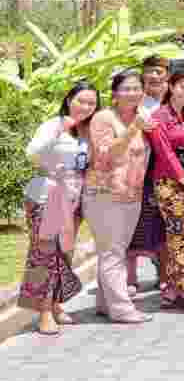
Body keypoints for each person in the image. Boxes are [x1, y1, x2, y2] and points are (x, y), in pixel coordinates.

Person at [19, 81, 99, 335]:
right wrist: (58, 132)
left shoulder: (88, 130)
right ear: (68, 100)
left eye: (91, 103)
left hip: (75, 199)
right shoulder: (53, 125)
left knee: (63, 253)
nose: (85, 107)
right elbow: (32, 154)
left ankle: (55, 304)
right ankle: (43, 311)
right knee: (43, 255)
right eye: (81, 101)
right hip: (49, 195)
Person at [84, 70, 154, 324]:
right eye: (126, 88)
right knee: (113, 252)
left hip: (131, 194)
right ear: (114, 94)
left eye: (137, 88)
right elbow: (106, 154)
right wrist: (134, 128)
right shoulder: (103, 118)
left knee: (115, 251)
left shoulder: (142, 117)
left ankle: (105, 303)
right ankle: (122, 308)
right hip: (105, 195)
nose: (132, 93)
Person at [145, 69, 184, 319]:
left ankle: (172, 288)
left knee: (183, 234)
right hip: (169, 183)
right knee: (180, 236)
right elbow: (166, 154)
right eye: (183, 86)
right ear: (171, 86)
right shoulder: (158, 117)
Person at [127, 55, 169, 294]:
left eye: (159, 72)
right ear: (142, 74)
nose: (154, 76)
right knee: (134, 222)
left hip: (166, 167)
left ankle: (163, 274)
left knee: (162, 223)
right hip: (138, 168)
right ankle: (130, 278)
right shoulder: (134, 101)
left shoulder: (172, 99)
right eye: (150, 71)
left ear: (166, 75)